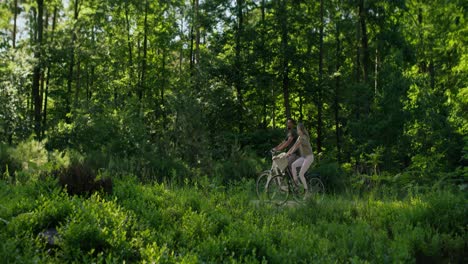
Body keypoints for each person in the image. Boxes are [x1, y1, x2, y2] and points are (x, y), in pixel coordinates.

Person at [286, 123, 314, 196]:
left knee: (301, 174)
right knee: (293, 165)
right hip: (304, 157)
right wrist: (287, 153)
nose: (297, 131)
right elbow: (293, 146)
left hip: (309, 157)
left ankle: (306, 191)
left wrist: (289, 153)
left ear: (301, 130)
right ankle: (296, 184)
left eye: (298, 130)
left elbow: (296, 147)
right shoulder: (299, 137)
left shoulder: (304, 137)